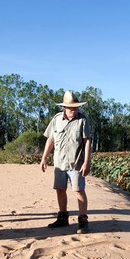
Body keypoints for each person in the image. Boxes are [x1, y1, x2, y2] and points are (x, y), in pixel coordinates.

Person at [40, 90, 92, 234]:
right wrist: (44, 157)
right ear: (64, 107)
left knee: (79, 191)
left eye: (76, 107)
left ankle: (83, 221)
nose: (74, 110)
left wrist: (86, 162)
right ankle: (62, 218)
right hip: (59, 163)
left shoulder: (83, 120)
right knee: (60, 189)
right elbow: (50, 139)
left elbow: (87, 142)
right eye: (71, 108)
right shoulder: (56, 119)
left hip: (76, 163)